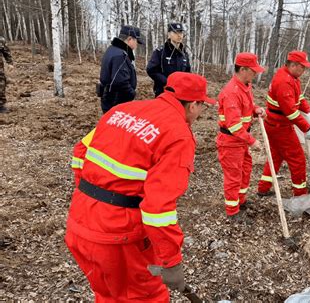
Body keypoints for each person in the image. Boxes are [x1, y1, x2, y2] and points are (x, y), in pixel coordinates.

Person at [65, 72, 216, 302]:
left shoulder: (122, 111)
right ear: (193, 104)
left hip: (79, 224)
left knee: (108, 294)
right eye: (202, 106)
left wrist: (91, 198)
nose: (200, 113)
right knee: (145, 297)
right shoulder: (178, 135)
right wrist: (170, 261)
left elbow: (80, 152)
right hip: (118, 240)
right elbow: (158, 209)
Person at [257, 51, 310, 197]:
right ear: (294, 65)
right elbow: (291, 112)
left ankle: (263, 188)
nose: (304, 70)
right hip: (280, 126)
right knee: (297, 159)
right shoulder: (284, 81)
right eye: (302, 67)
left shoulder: (292, 77)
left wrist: (307, 111)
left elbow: (299, 97)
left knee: (276, 156)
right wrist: (307, 128)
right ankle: (300, 194)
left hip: (274, 124)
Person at [217, 52, 266, 222]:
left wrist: (256, 109)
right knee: (233, 176)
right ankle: (232, 211)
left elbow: (248, 106)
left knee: (245, 170)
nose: (256, 74)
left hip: (241, 141)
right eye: (253, 71)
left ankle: (241, 201)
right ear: (243, 69)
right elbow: (234, 126)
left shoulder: (246, 85)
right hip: (231, 142)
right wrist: (253, 141)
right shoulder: (232, 92)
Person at [98, 25, 143, 114]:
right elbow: (120, 81)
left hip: (109, 98)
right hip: (116, 101)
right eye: (136, 41)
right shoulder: (120, 55)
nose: (137, 44)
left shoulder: (112, 49)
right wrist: (132, 93)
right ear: (130, 39)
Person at [146, 23, 191, 97]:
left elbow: (188, 72)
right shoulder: (160, 52)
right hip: (163, 92)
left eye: (181, 32)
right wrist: (167, 82)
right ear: (169, 34)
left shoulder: (184, 54)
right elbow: (151, 70)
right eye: (176, 32)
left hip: (180, 93)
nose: (179, 35)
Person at [0, 36, 13, 113]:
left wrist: (10, 63)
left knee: (1, 85)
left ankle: (1, 105)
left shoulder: (1, 40)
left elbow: (6, 52)